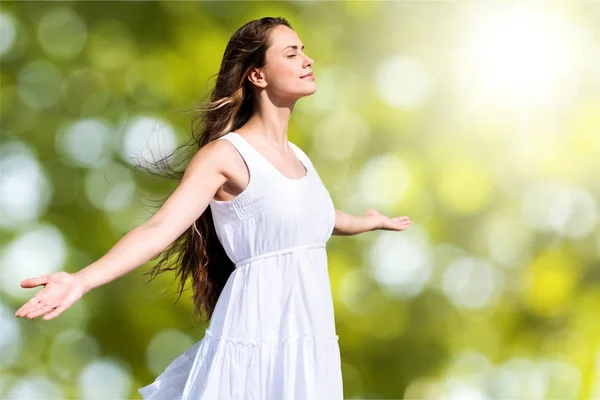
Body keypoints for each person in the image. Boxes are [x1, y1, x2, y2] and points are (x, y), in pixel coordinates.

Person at [15, 16, 411, 399]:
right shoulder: (224, 156)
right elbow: (159, 229)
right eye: (291, 53)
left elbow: (309, 219)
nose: (307, 60)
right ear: (257, 75)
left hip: (309, 338)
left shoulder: (299, 158)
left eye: (303, 51)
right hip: (257, 337)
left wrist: (367, 221)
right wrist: (81, 280)